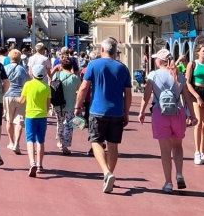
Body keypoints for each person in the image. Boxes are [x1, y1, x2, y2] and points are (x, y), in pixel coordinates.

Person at [74, 36, 132, 194]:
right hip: (117, 111)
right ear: (115, 51)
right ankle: (109, 174)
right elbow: (128, 94)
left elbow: (84, 87)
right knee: (113, 145)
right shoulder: (123, 68)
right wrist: (126, 113)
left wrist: (78, 106)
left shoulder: (93, 64)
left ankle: (106, 172)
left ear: (102, 50)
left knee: (95, 141)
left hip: (97, 110)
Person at [137, 48, 188, 192]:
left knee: (165, 150)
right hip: (178, 112)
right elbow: (187, 97)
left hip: (160, 113)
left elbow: (146, 96)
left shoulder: (153, 75)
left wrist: (142, 111)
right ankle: (179, 174)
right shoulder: (178, 76)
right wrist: (192, 115)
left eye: (156, 58)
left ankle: (168, 183)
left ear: (160, 61)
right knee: (177, 146)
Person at [19, 62, 52, 176]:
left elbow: (21, 100)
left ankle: (32, 162)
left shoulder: (28, 85)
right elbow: (48, 105)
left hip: (30, 116)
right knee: (40, 141)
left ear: (32, 73)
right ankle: (39, 165)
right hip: (42, 116)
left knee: (30, 139)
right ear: (44, 75)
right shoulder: (46, 87)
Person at [54, 57, 82, 154]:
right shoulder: (75, 78)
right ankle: (65, 145)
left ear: (62, 66)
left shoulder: (57, 75)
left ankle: (60, 141)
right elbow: (79, 91)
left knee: (60, 123)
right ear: (71, 67)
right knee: (69, 125)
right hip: (71, 105)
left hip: (58, 104)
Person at [4, 48, 29, 153]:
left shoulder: (5, 68)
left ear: (10, 57)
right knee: (19, 121)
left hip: (8, 95)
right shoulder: (22, 69)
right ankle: (17, 144)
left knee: (9, 119)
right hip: (20, 95)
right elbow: (27, 82)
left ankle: (11, 142)